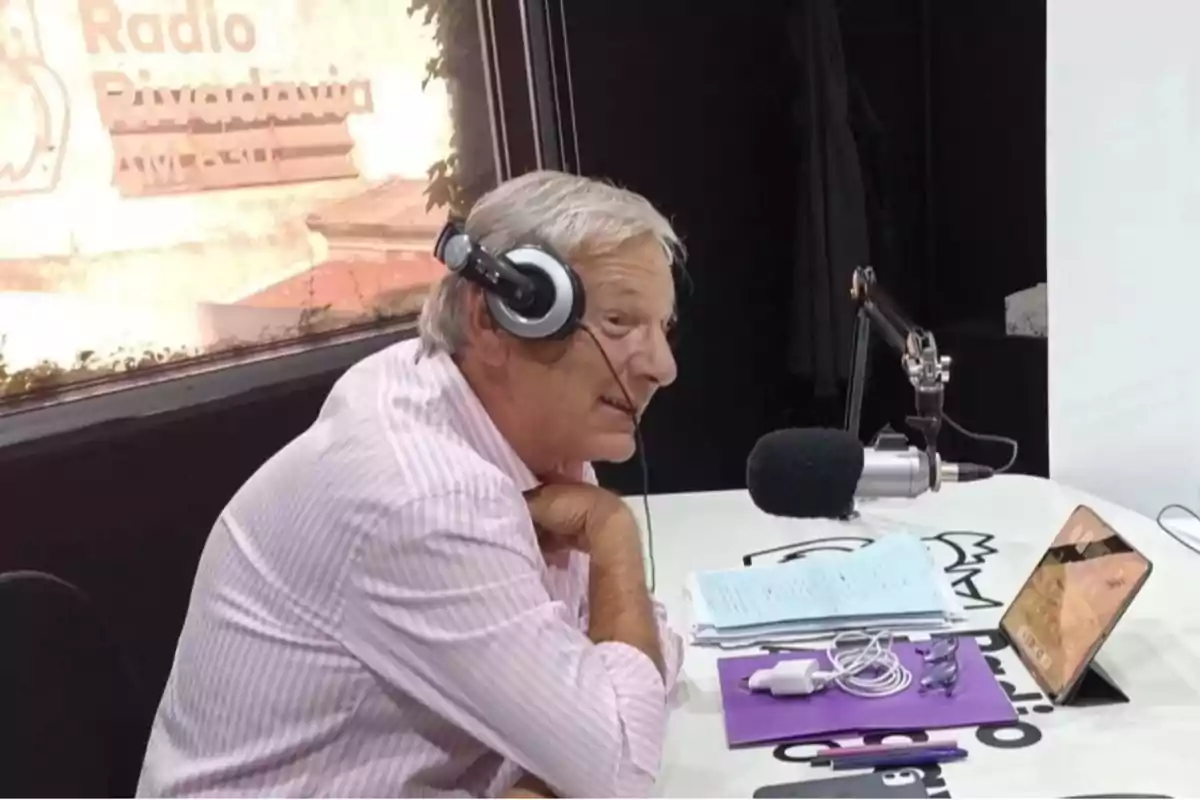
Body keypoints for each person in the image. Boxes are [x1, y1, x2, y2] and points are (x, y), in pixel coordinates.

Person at [137, 170, 685, 798]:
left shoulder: (519, 426)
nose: (662, 368)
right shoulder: (429, 495)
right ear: (496, 320)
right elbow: (621, 766)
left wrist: (557, 766)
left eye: (662, 328)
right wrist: (614, 537)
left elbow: (642, 655)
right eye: (618, 323)